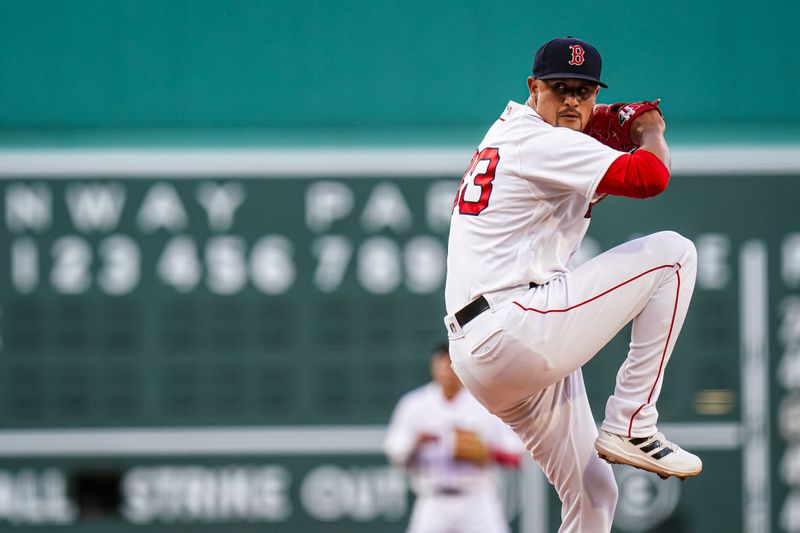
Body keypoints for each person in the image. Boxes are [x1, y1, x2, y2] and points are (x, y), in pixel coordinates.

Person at [443, 36, 702, 532]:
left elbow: (587, 131)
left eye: (584, 92)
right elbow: (650, 176)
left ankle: (627, 428)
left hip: (492, 348)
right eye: (559, 88)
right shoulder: (537, 140)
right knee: (673, 255)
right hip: (512, 327)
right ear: (532, 88)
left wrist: (604, 116)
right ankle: (632, 421)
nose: (571, 101)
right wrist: (649, 126)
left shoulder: (522, 134)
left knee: (594, 493)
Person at [383, 343, 525, 533]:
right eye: (441, 363)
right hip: (433, 500)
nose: (447, 371)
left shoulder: (485, 402)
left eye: (451, 363)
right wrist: (415, 444)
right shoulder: (415, 404)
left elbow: (515, 453)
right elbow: (394, 451)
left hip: (477, 498)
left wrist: (487, 452)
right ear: (433, 366)